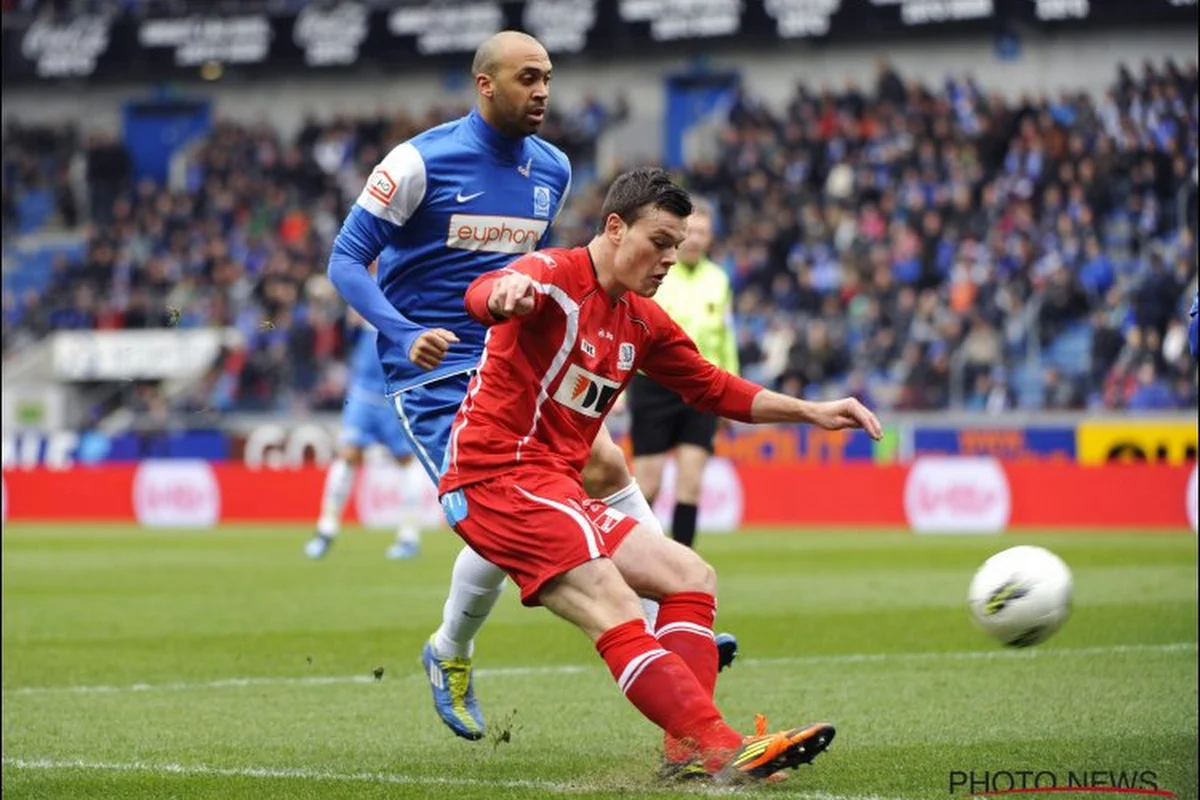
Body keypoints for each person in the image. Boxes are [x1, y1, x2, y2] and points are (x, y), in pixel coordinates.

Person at [326, 31, 737, 742]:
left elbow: (536, 269)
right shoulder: (416, 163)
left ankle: (663, 605)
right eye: (527, 78)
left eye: (547, 76)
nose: (543, 90)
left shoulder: (553, 168)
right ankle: (451, 649)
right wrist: (400, 331)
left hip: (521, 353)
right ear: (485, 85)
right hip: (439, 365)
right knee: (502, 508)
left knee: (602, 463)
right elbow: (346, 260)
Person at [438, 167, 882, 782]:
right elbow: (490, 287)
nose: (671, 258)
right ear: (615, 228)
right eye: (661, 242)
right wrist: (499, 298)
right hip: (494, 479)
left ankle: (683, 755)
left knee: (689, 574)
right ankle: (722, 748)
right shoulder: (553, 277)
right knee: (614, 601)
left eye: (678, 245)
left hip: (553, 488)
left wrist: (810, 411)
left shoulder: (640, 319)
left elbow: (713, 387)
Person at [630, 199, 736, 549]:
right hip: (653, 386)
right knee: (648, 484)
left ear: (711, 238)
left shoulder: (719, 280)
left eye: (703, 233)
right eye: (690, 232)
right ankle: (633, 556)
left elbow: (725, 338)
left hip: (701, 386)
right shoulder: (658, 270)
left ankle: (680, 566)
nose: (695, 240)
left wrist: (728, 395)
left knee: (690, 482)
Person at [305, 315, 425, 560]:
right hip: (362, 394)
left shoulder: (402, 294)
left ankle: (409, 536)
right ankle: (325, 530)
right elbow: (348, 328)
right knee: (348, 454)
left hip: (393, 394)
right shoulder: (365, 289)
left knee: (405, 461)